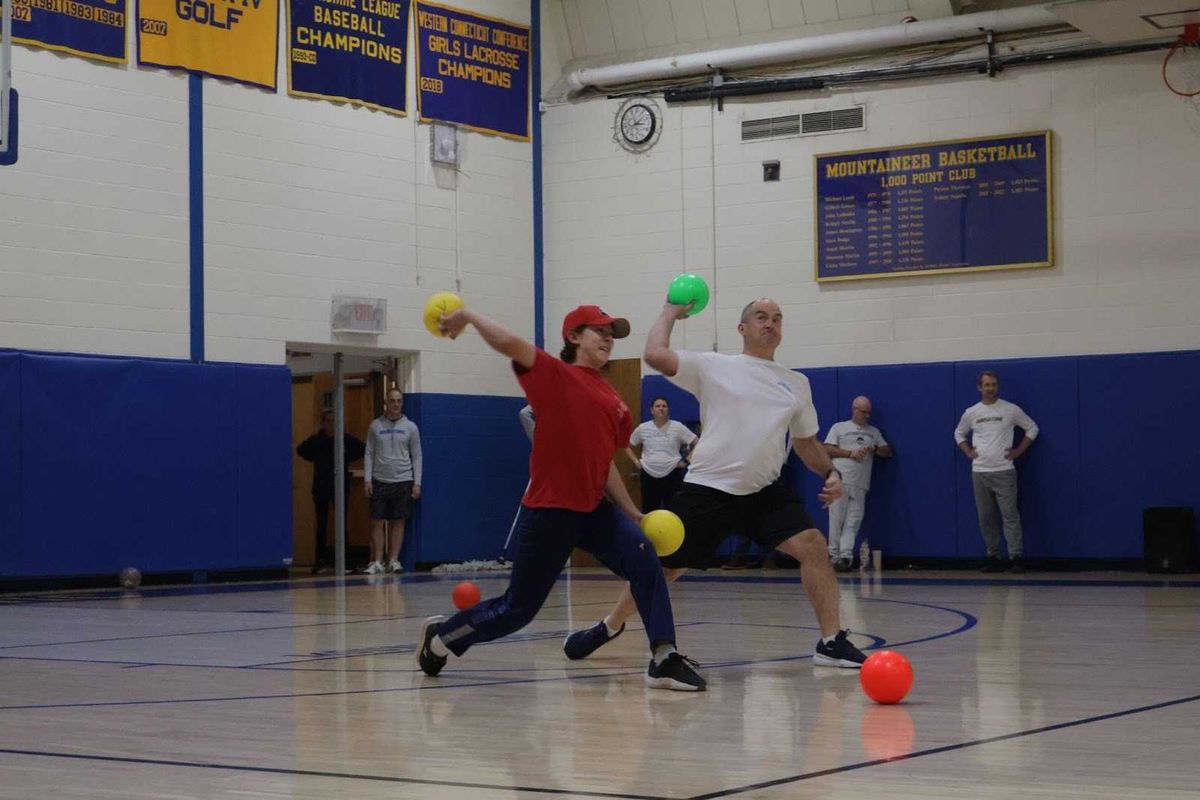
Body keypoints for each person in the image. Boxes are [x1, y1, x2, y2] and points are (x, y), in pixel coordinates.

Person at [563, 298, 868, 669]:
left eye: (777, 319)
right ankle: (610, 626)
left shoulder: (796, 384)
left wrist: (830, 472)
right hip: (708, 488)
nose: (770, 324)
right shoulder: (714, 366)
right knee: (665, 568)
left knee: (814, 546)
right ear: (742, 328)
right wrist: (670, 312)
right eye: (761, 317)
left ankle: (831, 641)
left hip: (763, 491)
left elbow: (806, 443)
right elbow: (655, 354)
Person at [415, 304, 706, 691]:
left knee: (645, 561)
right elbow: (510, 343)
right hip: (549, 513)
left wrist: (633, 513)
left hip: (594, 511)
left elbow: (604, 463)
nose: (608, 339)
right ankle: (441, 637)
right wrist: (468, 316)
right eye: (600, 331)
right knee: (517, 611)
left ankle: (664, 657)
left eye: (612, 334)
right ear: (573, 336)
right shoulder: (553, 375)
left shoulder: (614, 400)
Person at [954, 371, 1039, 574]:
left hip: (1004, 471)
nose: (990, 388)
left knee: (1010, 515)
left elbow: (1032, 428)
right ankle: (993, 556)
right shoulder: (971, 412)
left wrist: (1018, 451)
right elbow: (958, 433)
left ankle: (1016, 557)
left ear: (997, 386)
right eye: (987, 385)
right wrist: (968, 452)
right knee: (986, 517)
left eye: (993, 384)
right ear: (979, 387)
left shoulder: (1010, 409)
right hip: (980, 472)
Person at [823, 396, 893, 572]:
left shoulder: (873, 432)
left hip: (860, 484)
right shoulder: (839, 427)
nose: (867, 416)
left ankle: (845, 557)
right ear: (854, 410)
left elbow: (887, 451)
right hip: (840, 481)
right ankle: (832, 555)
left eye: (869, 413)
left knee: (853, 521)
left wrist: (873, 449)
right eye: (864, 412)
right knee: (836, 519)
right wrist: (850, 454)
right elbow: (827, 448)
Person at [296, 410, 366, 574]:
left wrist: (347, 457)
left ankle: (345, 560)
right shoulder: (316, 440)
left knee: (341, 524)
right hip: (321, 486)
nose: (331, 424)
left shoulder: (345, 439)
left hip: (340, 486)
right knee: (321, 524)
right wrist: (315, 458)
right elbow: (301, 449)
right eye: (328, 420)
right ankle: (320, 560)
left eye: (334, 421)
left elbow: (362, 449)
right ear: (323, 422)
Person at [363, 388, 422, 575]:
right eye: (392, 400)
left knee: (398, 521)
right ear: (386, 402)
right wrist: (367, 479)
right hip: (379, 480)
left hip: (403, 480)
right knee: (377, 521)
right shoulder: (375, 426)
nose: (396, 404)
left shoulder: (411, 427)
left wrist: (417, 482)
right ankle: (377, 561)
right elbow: (369, 453)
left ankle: (394, 560)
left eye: (399, 401)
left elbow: (417, 455)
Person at [625, 397, 697, 512]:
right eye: (657, 406)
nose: (661, 408)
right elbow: (626, 445)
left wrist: (686, 461)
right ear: (652, 410)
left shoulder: (677, 427)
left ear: (668, 409)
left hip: (672, 473)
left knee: (673, 509)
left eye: (664, 406)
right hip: (648, 473)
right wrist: (636, 462)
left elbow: (697, 443)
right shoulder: (643, 428)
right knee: (649, 509)